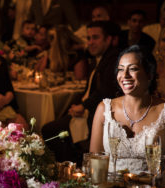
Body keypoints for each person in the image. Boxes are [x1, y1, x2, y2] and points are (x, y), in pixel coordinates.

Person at [90, 45, 165, 177]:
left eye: (133, 69)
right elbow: (94, 161)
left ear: (149, 74)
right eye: (120, 69)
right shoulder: (104, 109)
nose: (124, 76)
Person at [41, 21, 119, 165]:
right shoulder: (99, 59)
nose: (90, 42)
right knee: (55, 129)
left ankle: (72, 166)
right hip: (90, 109)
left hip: (98, 114)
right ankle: (71, 165)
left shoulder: (113, 59)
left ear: (108, 39)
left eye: (95, 38)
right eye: (88, 38)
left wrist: (83, 106)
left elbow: (105, 91)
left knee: (50, 130)